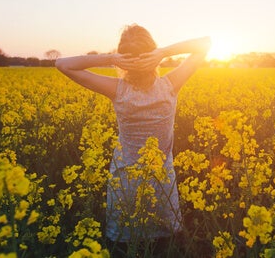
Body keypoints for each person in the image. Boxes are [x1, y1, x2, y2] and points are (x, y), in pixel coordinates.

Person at [55, 24, 211, 256]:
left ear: (122, 59)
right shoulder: (170, 86)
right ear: (153, 57)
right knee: (165, 244)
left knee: (124, 245)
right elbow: (205, 43)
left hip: (125, 180)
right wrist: (163, 53)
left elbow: (62, 64)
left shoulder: (117, 89)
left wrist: (110, 58)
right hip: (162, 180)